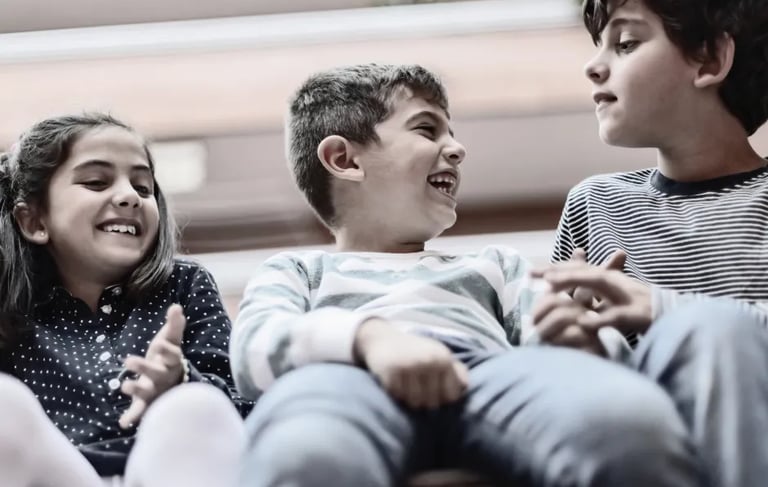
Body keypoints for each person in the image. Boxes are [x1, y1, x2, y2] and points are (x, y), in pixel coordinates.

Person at [231, 63, 706, 487]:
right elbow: (252, 351)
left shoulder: (497, 264)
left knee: (627, 422)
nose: (457, 149)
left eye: (452, 133)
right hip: (346, 381)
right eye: (427, 129)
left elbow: (562, 355)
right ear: (345, 160)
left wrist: (586, 341)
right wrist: (372, 339)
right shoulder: (296, 270)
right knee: (304, 451)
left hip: (488, 376)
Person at [534, 1, 768, 485]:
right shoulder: (594, 205)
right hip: (646, 444)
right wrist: (572, 342)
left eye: (626, 44)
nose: (593, 66)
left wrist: (663, 308)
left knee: (713, 329)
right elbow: (555, 372)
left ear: (709, 60)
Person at [0, 113, 249, 487]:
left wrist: (183, 380)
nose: (130, 196)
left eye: (143, 188)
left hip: (173, 474)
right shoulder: (10, 307)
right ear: (34, 220)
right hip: (63, 476)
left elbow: (246, 412)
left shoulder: (185, 285)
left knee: (196, 404)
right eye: (96, 182)